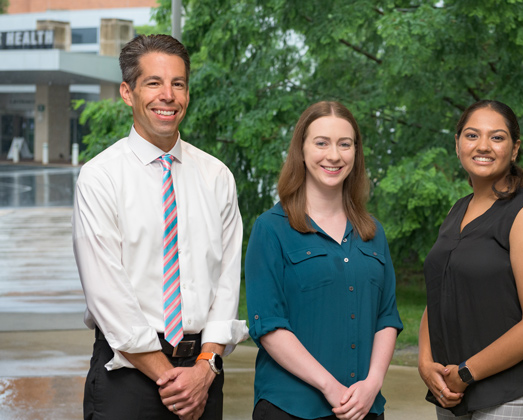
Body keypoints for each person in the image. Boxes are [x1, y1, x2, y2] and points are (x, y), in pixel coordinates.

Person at [73, 34, 248, 420]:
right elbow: (109, 298)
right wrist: (174, 382)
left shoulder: (217, 176)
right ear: (127, 92)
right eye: (153, 82)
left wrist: (205, 369)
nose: (167, 95)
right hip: (126, 378)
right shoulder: (100, 178)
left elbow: (226, 283)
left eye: (178, 83)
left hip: (204, 373)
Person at [245, 101, 403, 420]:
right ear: (301, 151)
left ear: (355, 153)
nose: (334, 155)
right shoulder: (271, 228)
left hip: (364, 408)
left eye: (344, 144)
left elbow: (386, 318)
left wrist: (372, 384)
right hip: (290, 408)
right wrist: (330, 386)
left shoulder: (373, 233)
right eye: (321, 143)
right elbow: (269, 326)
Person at [419, 100, 523, 420]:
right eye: (471, 136)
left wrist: (467, 372)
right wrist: (425, 363)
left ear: (514, 148)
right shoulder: (457, 211)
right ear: (457, 144)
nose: (483, 146)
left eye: (496, 137)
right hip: (452, 397)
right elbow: (438, 293)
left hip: (511, 397)